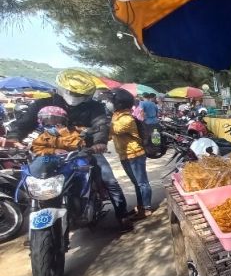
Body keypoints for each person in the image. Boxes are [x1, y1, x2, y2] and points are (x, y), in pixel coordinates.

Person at [8, 69, 132, 231]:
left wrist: (99, 143)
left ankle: (122, 216)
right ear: (61, 88)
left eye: (80, 93)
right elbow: (24, 123)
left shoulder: (94, 107)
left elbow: (101, 125)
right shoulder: (42, 103)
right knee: (31, 181)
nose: (75, 96)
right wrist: (13, 138)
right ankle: (36, 228)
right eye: (72, 91)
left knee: (109, 180)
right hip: (49, 151)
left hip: (85, 150)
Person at [109, 88, 154, 219]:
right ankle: (141, 206)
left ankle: (146, 208)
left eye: (111, 101)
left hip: (135, 155)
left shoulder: (126, 119)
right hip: (124, 155)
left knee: (142, 182)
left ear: (119, 103)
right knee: (137, 183)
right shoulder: (116, 116)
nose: (108, 103)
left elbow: (113, 129)